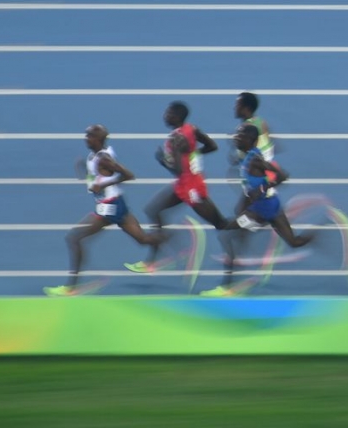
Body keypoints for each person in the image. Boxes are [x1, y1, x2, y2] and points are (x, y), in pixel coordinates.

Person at [44, 125, 167, 296]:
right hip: (117, 204)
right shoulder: (94, 156)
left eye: (90, 136)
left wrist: (101, 184)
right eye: (86, 135)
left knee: (74, 238)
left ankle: (71, 287)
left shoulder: (104, 159)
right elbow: (97, 178)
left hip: (110, 207)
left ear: (98, 139)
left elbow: (129, 175)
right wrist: (88, 175)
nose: (86, 138)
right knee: (143, 239)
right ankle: (174, 241)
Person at [201, 125, 315, 297]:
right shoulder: (247, 156)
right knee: (294, 242)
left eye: (241, 136)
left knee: (227, 236)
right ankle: (320, 231)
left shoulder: (255, 159)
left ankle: (227, 288)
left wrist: (262, 188)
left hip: (261, 210)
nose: (237, 138)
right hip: (272, 205)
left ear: (250, 141)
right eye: (237, 135)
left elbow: (283, 175)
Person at [130, 101, 227, 273]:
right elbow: (212, 146)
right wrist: (193, 153)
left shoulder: (176, 139)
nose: (165, 116)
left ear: (176, 117)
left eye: (168, 113)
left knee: (221, 223)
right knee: (153, 210)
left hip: (191, 188)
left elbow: (178, 170)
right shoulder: (192, 129)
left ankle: (249, 229)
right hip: (184, 184)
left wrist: (162, 160)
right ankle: (152, 260)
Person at [235, 91, 275, 161]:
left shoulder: (246, 129)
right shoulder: (262, 122)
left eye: (238, 105)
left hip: (255, 167)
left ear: (246, 108)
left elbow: (250, 153)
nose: (235, 107)